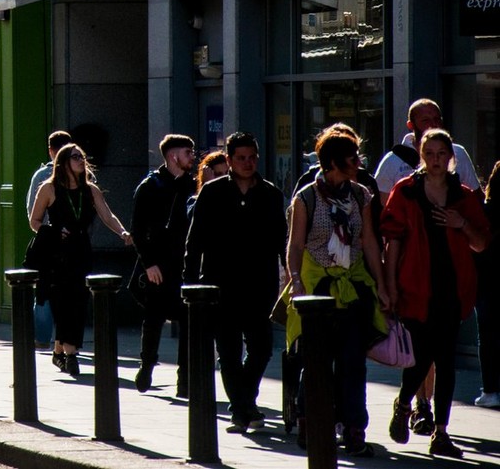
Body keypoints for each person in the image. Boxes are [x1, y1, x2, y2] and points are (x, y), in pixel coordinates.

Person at [381, 128, 490, 458]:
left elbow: (480, 243)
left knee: (445, 360)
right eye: (430, 154)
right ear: (421, 155)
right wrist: (389, 285)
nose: (436, 161)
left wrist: (462, 224)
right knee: (420, 354)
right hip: (415, 286)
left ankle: (441, 431)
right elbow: (393, 242)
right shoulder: (406, 192)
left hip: (452, 288)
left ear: (451, 157)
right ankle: (404, 403)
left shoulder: (464, 196)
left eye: (442, 154)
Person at [285, 127, 390, 456]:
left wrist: (383, 285)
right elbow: (296, 244)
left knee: (353, 362)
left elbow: (370, 242)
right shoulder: (306, 198)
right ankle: (310, 421)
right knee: (317, 360)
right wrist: (297, 282)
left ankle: (355, 429)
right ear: (332, 163)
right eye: (351, 158)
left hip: (354, 285)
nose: (358, 163)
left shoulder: (361, 195)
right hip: (318, 290)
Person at [183, 131, 285, 433]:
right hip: (220, 285)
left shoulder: (270, 194)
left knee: (262, 347)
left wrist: (289, 276)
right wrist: (191, 284)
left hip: (260, 284)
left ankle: (243, 401)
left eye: (252, 157)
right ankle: (243, 410)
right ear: (228, 160)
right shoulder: (212, 193)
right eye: (240, 158)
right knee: (228, 351)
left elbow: (281, 240)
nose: (247, 163)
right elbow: (195, 240)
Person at [28, 142, 133, 376]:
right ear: (63, 162)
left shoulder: (90, 190)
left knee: (77, 301)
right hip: (57, 251)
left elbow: (107, 215)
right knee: (62, 301)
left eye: (82, 157)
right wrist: (53, 231)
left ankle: (61, 348)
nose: (81, 160)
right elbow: (34, 221)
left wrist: (122, 232)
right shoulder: (49, 188)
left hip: (81, 250)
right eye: (76, 157)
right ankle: (71, 354)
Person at [130, 134, 197, 396]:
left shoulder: (193, 186)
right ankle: (146, 365)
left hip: (185, 264)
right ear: (172, 156)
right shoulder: (150, 186)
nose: (192, 156)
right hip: (158, 264)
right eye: (187, 152)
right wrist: (148, 264)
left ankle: (185, 379)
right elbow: (136, 229)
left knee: (188, 320)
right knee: (154, 317)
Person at [25, 130, 75, 349]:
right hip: (74, 243)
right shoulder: (83, 174)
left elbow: (31, 212)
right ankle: (67, 340)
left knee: (43, 289)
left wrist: (44, 231)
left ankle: (44, 339)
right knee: (69, 289)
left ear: (50, 150)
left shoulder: (41, 176)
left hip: (47, 241)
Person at [375, 99, 480, 196]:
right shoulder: (393, 160)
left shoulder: (458, 153)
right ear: (411, 125)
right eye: (426, 120)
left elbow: (476, 195)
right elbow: (383, 204)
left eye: (437, 119)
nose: (433, 124)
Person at [476, 160, 500, 409]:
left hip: (487, 280)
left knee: (488, 335)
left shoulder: (485, 210)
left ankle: (491, 390)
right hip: (488, 279)